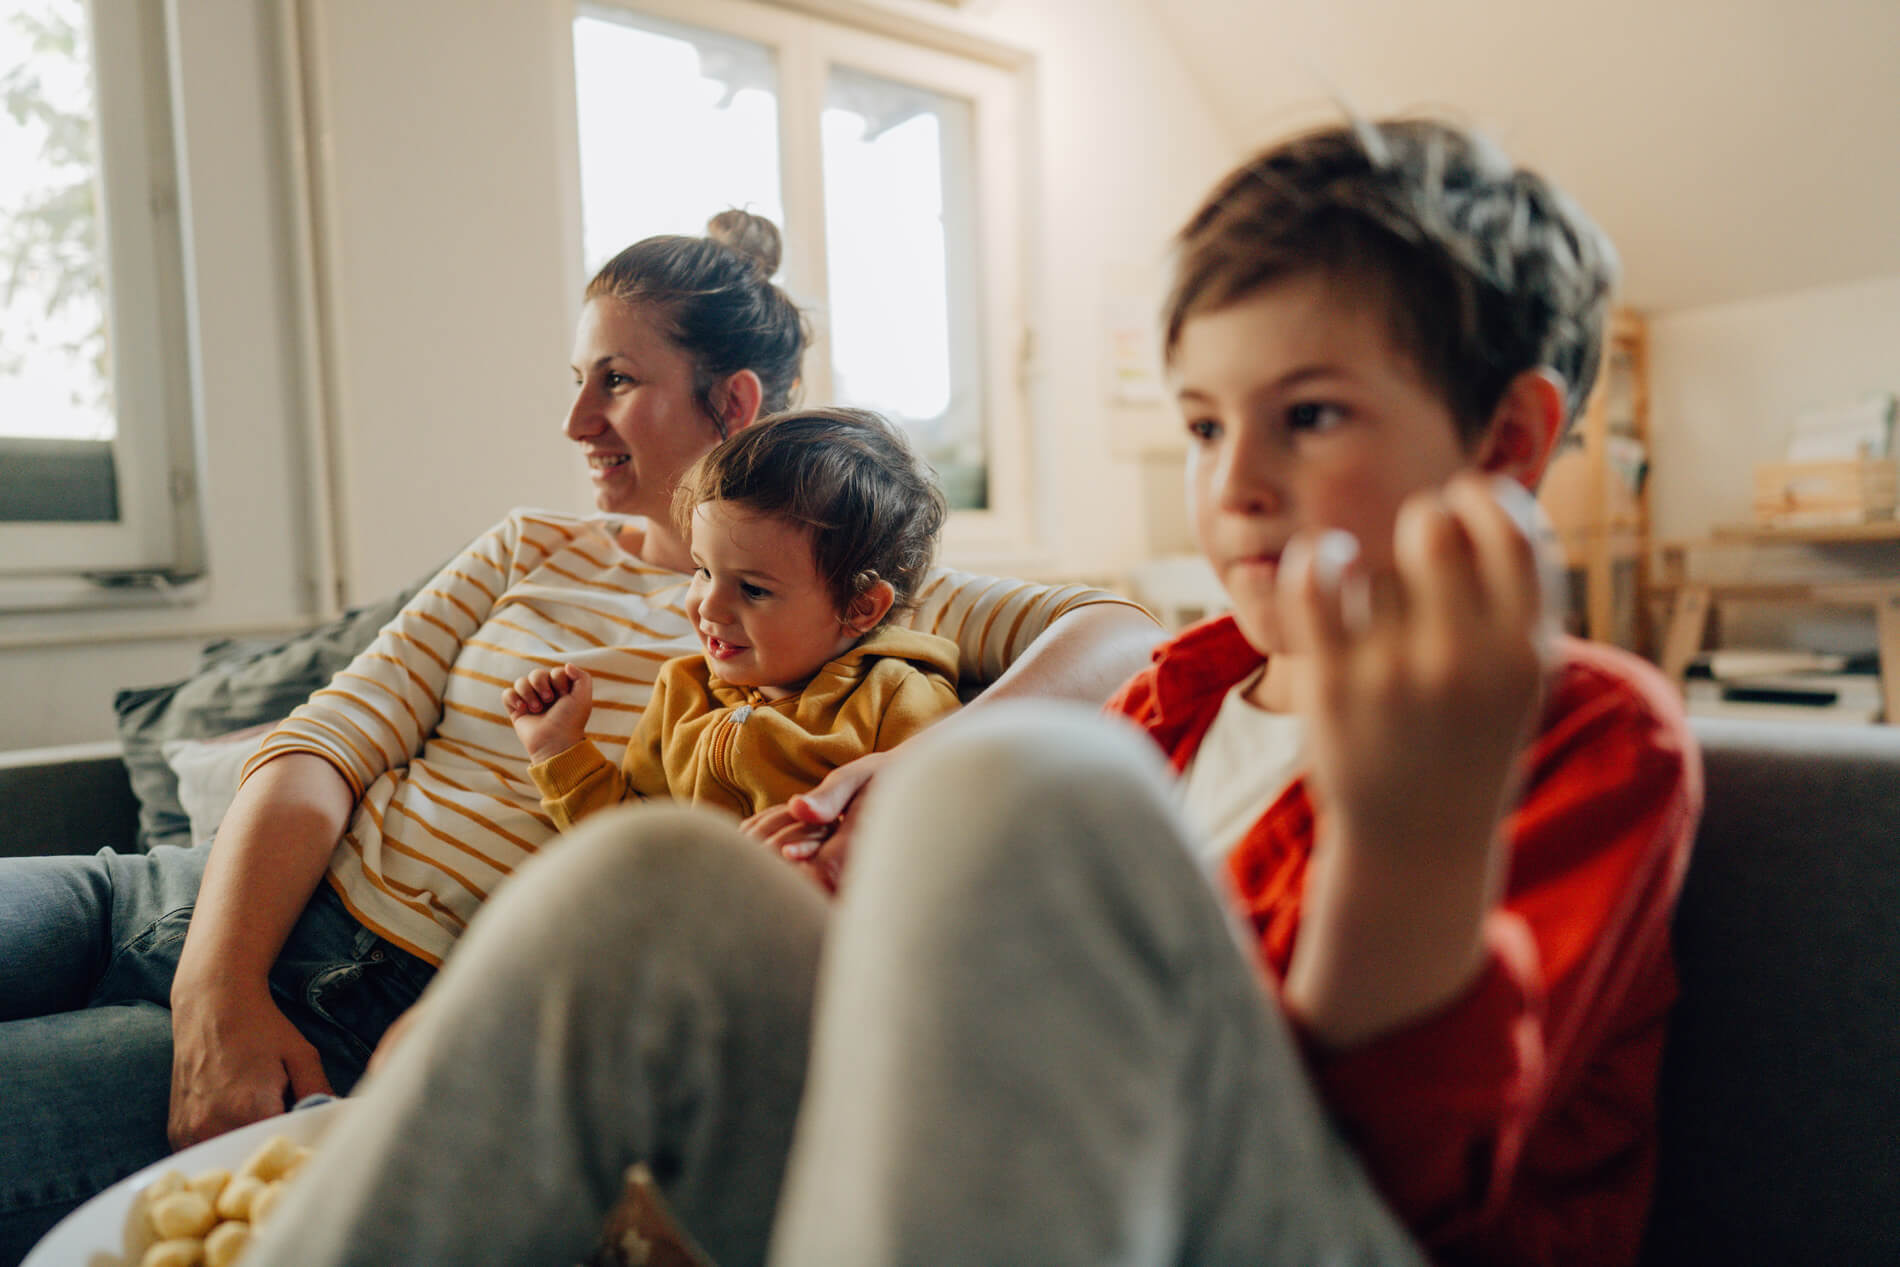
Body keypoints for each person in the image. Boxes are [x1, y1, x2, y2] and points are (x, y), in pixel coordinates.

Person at [244, 118, 1700, 1267]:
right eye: (1202, 421)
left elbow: (1404, 1180)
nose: (1234, 482)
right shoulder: (1192, 695)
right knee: (658, 878)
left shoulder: (1581, 728)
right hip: (1046, 1199)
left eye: (1308, 414)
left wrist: (1406, 835)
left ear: (1508, 439)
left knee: (1017, 780)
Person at [0, 211, 1159, 1264]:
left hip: (347, 1006)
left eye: (615, 381)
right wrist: (216, 980)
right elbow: (325, 743)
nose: (573, 423)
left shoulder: (837, 590)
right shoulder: (529, 547)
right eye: (577, 378)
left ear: (735, 402)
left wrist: (903, 769)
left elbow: (1121, 637)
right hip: (186, 895)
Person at [505, 408, 960, 829]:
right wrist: (558, 749)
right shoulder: (682, 691)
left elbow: (939, 836)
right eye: (702, 571)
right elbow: (631, 839)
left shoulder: (895, 699)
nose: (708, 607)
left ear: (861, 607)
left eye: (753, 589)